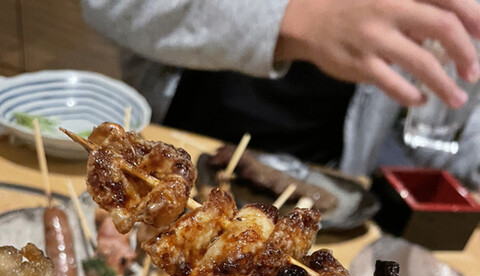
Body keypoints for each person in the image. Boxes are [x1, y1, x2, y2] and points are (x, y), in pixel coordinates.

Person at [81, 0, 480, 187]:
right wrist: (294, 22)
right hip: (167, 153)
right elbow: (109, 6)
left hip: (323, 186)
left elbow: (453, 117)